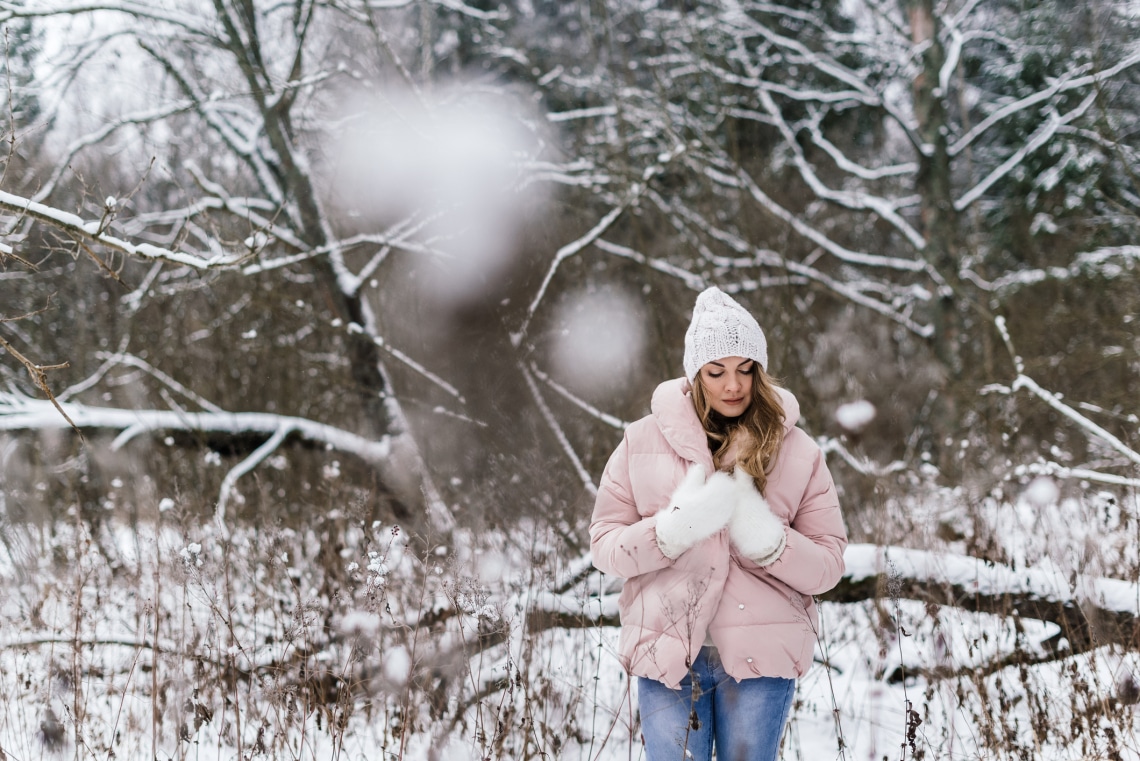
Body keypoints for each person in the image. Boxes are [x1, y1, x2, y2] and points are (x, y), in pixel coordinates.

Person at [589, 286, 847, 761]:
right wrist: (668, 533)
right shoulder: (641, 441)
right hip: (668, 656)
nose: (733, 385)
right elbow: (605, 546)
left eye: (745, 370)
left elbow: (829, 566)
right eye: (717, 371)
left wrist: (769, 541)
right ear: (695, 374)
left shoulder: (798, 451)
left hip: (760, 661)